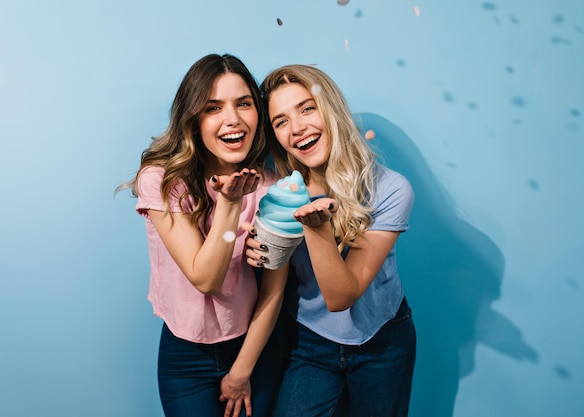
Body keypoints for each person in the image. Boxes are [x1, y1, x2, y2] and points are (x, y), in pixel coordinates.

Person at [120, 54, 287, 417]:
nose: (233, 119)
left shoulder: (273, 187)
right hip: (186, 358)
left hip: (253, 349)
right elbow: (205, 278)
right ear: (193, 120)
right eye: (214, 107)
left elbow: (275, 291)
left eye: (244, 103)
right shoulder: (162, 181)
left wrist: (242, 371)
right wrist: (229, 204)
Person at [246, 64, 417, 417]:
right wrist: (262, 249)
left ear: (332, 108)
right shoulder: (279, 192)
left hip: (381, 341)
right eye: (280, 122)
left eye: (307, 108)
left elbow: (342, 296)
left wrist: (317, 227)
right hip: (309, 341)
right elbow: (271, 277)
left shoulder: (391, 190)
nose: (297, 129)